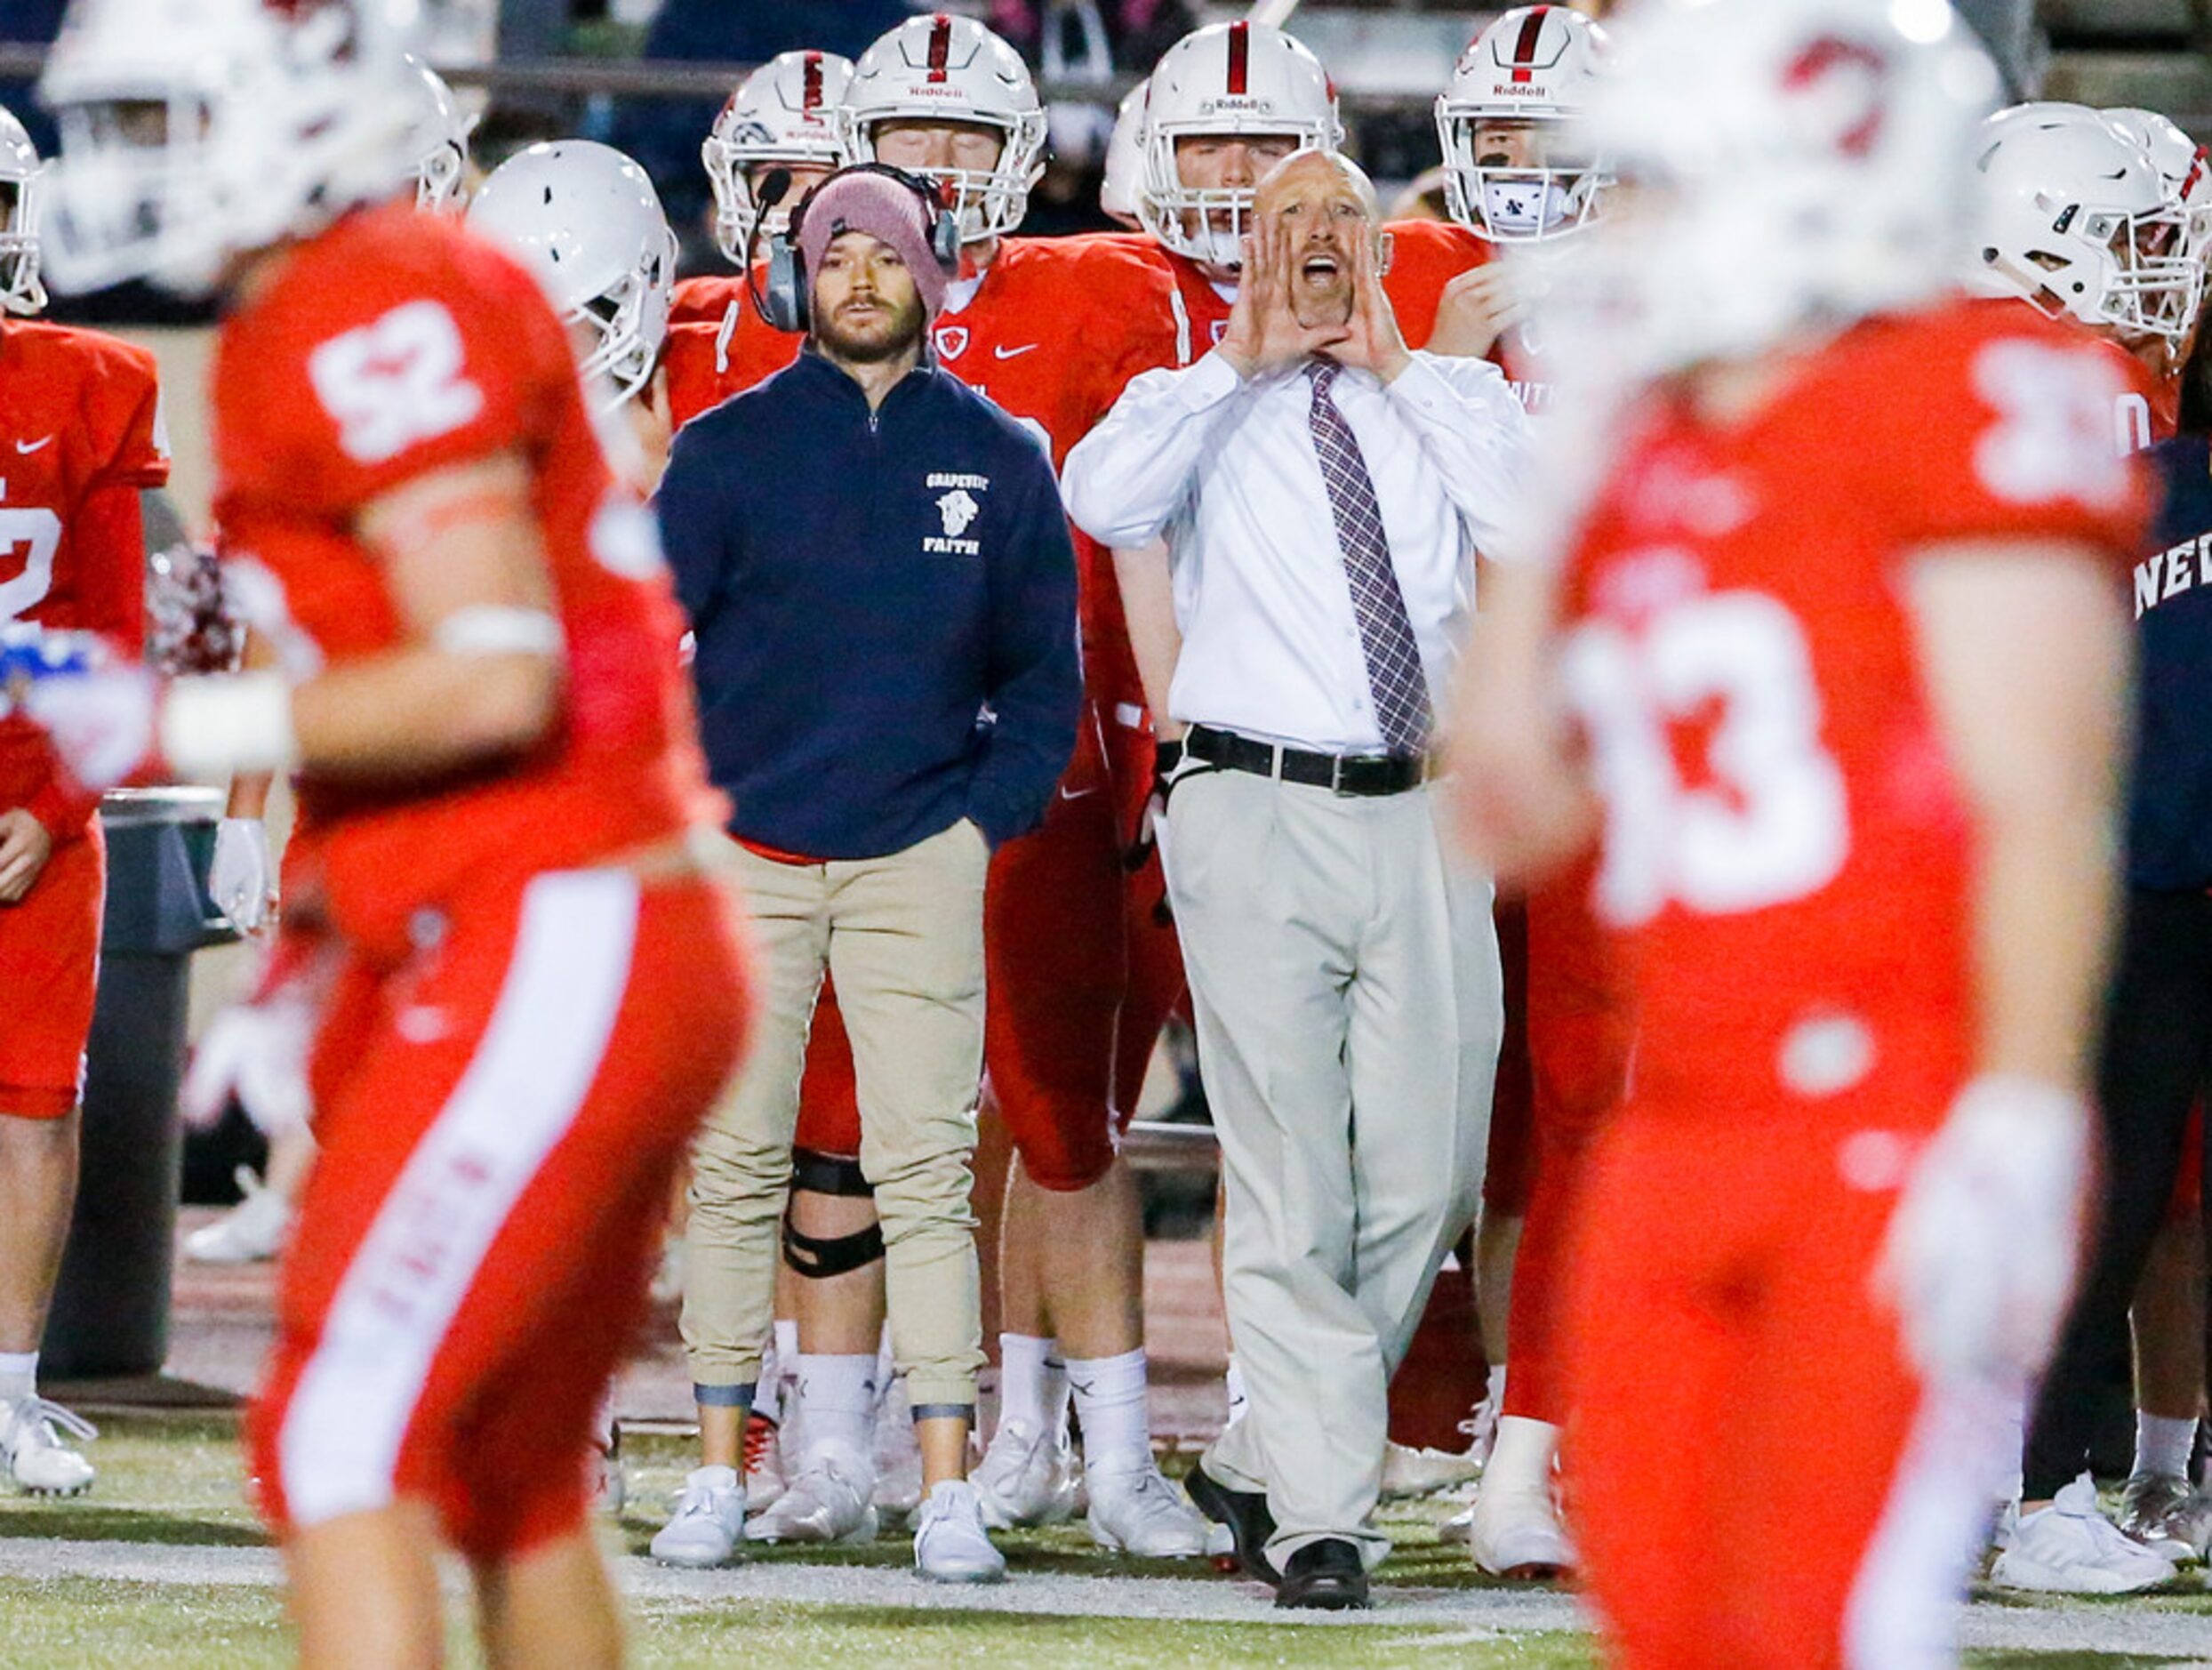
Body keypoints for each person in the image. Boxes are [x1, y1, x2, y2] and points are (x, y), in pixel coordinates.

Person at [30, 4, 754, 1665]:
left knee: (344, 1430)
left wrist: (177, 727)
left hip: (559, 921)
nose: (119, 166)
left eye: (157, 120)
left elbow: (490, 673)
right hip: (563, 917)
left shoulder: (358, 301)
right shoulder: (356, 294)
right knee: (511, 1475)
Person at [1451, 0, 2151, 1661]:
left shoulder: (1962, 392)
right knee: (1673, 1621)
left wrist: (2026, 1120)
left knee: (1830, 1624)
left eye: (1658, 187)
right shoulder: (1645, 446)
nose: (1619, 231)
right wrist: (1550, 498)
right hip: (1671, 1124)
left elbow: (2046, 796)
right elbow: (1504, 804)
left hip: (1887, 1116)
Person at [758, 13, 1219, 1562]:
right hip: (846, 770)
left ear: (1024, 158)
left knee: (1062, 1114)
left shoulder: (1103, 289)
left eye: (967, 139)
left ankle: (1111, 1447)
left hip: (1036, 765)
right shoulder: (800, 311)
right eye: (913, 139)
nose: (940, 172)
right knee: (831, 1118)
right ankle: (825, 1438)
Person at [1065, 148, 1528, 1609]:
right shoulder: (1188, 401)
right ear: (1245, 253)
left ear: (1380, 252)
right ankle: (1325, 1515)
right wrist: (1234, 368)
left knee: (1430, 1165)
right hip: (1253, 802)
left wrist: (1399, 372)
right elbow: (1097, 492)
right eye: (1287, 222)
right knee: (1285, 1168)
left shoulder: (1458, 399)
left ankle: (1269, 1453)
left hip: (1428, 808)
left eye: (1342, 217)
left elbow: (1530, 524)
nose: (1318, 239)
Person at [650, 164, 1081, 1583]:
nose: (855, 273)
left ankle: (945, 1488)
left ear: (930, 271)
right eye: (831, 250)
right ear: (797, 275)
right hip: (752, 854)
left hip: (916, 855)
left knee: (925, 1172)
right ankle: (719, 1469)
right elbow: (644, 652)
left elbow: (1041, 681)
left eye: (881, 250)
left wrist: (974, 828)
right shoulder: (722, 451)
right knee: (732, 1171)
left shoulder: (1005, 454)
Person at [1967, 102, 2212, 1593]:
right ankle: (2024, 1480)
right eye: (2129, 235)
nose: (2163, 265)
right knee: (2071, 1182)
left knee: (2113, 1183)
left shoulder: (2121, 378)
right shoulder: (2058, 388)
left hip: (2132, 846)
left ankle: (2035, 1478)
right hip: (2061, 854)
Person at [0, 97, 167, 1497]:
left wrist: (53, 805)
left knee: (34, 1103)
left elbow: (117, 641)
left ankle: (8, 1389)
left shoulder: (88, 379)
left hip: (28, 808)